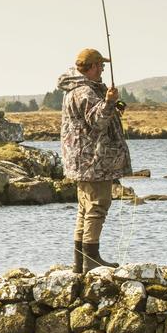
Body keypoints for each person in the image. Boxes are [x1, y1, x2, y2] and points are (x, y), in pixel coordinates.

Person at [58, 48, 133, 271]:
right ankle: (91, 259)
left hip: (85, 160)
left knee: (85, 208)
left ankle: (80, 263)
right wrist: (109, 103)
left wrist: (110, 104)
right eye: (100, 66)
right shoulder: (84, 92)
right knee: (97, 207)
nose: (102, 69)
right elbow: (97, 121)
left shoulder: (80, 90)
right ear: (91, 67)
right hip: (93, 161)